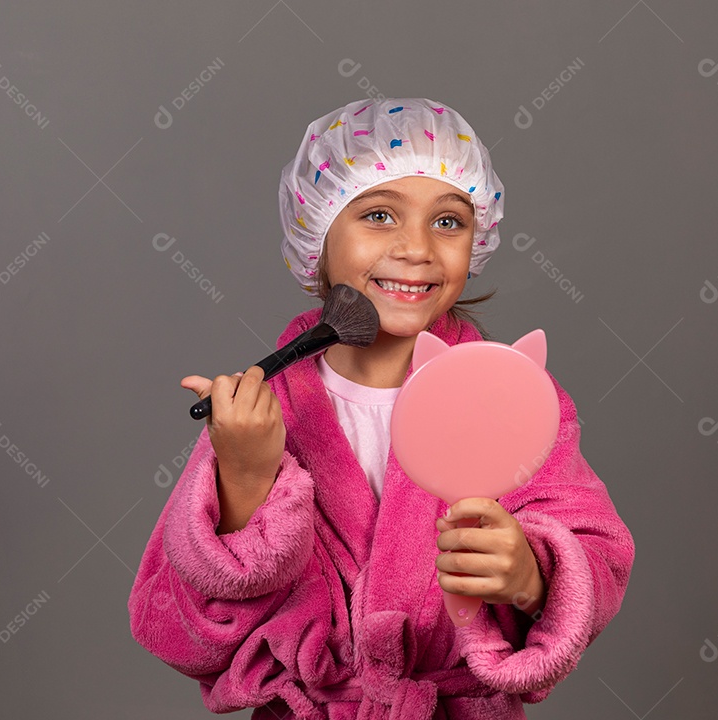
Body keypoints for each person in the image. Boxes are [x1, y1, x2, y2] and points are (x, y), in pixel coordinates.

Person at [128, 98, 635, 719]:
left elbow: (601, 556)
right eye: (378, 215)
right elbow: (180, 629)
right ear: (315, 234)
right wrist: (246, 479)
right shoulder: (264, 412)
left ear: (478, 239)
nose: (417, 249)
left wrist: (532, 575)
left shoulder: (510, 393)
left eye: (448, 222)